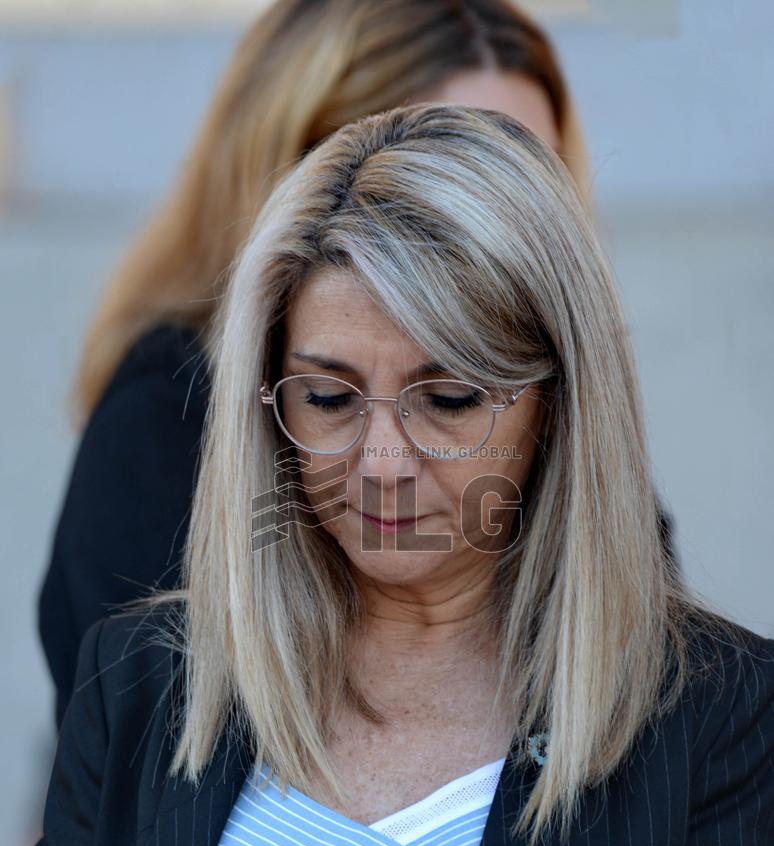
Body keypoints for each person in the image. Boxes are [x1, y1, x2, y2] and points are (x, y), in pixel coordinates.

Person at [14, 104, 773, 846]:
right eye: (329, 398)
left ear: (558, 406)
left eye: (447, 400)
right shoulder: (139, 682)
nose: (381, 464)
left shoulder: (722, 715)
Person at [38, 0, 676, 732]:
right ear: (318, 178)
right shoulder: (164, 423)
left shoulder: (567, 427)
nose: (507, 217)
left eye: (530, 174)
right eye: (436, 174)